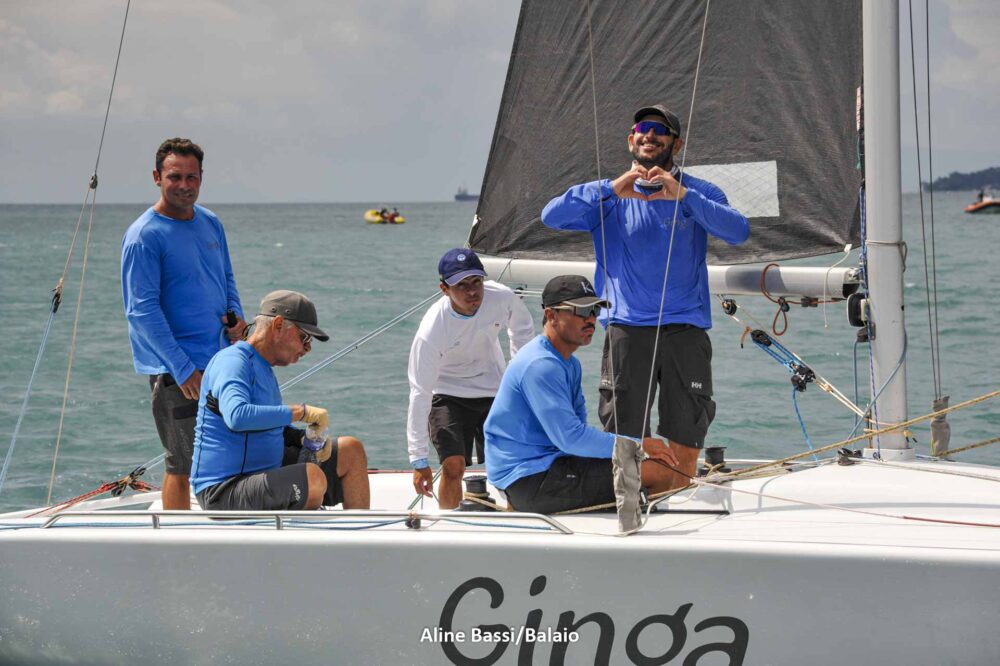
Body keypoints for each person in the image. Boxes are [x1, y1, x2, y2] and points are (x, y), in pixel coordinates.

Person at [541, 104, 750, 489]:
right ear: (631, 140)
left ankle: (678, 498)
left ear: (676, 144)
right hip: (627, 328)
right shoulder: (608, 196)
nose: (650, 134)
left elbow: (738, 231)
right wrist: (610, 188)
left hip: (685, 329)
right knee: (625, 435)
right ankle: (631, 506)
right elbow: (550, 216)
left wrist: (682, 195)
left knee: (687, 432)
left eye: (660, 129)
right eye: (642, 128)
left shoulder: (698, 192)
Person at [121, 138, 248, 510]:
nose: (184, 185)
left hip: (220, 360)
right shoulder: (144, 236)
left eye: (191, 177)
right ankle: (177, 537)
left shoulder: (210, 222)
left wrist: (237, 319)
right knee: (181, 465)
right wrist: (183, 369)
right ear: (157, 177)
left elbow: (226, 278)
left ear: (201, 177)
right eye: (175, 177)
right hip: (176, 371)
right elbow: (141, 312)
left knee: (226, 455)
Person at [484, 275, 678, 514]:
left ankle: (623, 521)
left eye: (595, 311)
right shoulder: (540, 365)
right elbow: (571, 438)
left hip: (549, 466)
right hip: (528, 479)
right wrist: (639, 446)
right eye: (582, 311)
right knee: (659, 471)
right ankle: (634, 532)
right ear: (551, 316)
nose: (591, 320)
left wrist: (628, 452)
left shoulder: (568, 363)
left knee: (641, 463)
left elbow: (576, 432)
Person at [191, 290, 370, 511]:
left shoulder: (264, 369)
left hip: (264, 474)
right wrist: (301, 412)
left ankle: (358, 531)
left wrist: (306, 438)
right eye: (304, 337)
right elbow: (237, 416)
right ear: (277, 325)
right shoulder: (233, 362)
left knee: (351, 450)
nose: (307, 348)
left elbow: (273, 428)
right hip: (225, 489)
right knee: (311, 477)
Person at [407, 248, 535, 508]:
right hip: (447, 393)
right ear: (444, 289)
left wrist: (517, 378)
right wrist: (419, 460)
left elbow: (522, 330)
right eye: (461, 286)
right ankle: (450, 522)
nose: (472, 292)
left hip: (494, 389)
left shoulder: (501, 297)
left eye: (477, 282)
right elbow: (420, 392)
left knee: (513, 460)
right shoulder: (432, 329)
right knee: (453, 465)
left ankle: (517, 515)